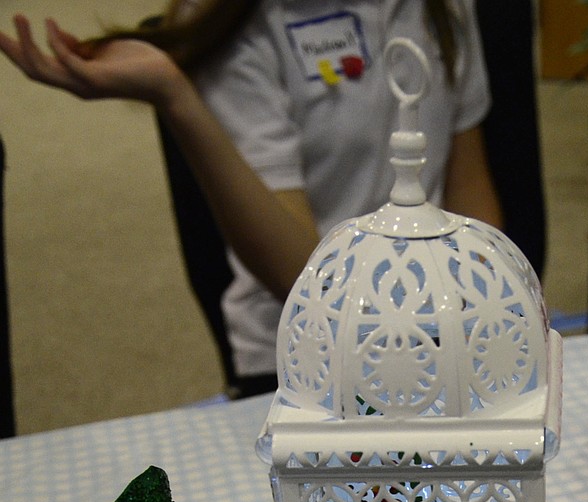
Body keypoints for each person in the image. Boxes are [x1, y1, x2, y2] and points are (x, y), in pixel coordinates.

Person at [0, 2, 502, 395]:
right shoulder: (242, 21)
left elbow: (471, 194)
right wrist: (176, 97)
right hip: (307, 347)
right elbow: (297, 276)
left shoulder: (440, 7)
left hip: (444, 331)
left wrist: (484, 321)